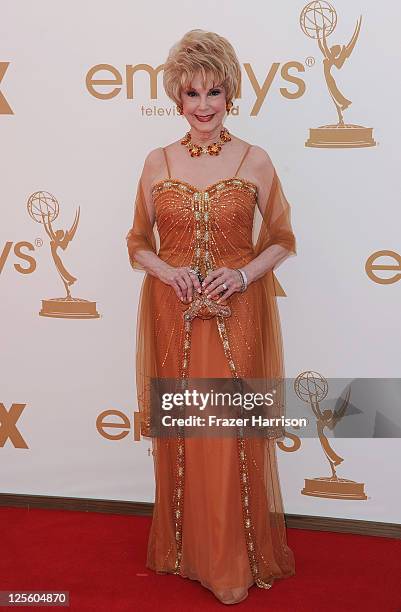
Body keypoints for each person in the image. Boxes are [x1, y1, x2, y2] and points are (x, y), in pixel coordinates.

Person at [126, 29, 297, 605]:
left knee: (227, 437)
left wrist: (244, 273)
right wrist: (165, 271)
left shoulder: (256, 160)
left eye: (214, 92)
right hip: (174, 319)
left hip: (237, 317)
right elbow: (137, 242)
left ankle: (230, 563)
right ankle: (188, 552)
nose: (203, 106)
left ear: (231, 96)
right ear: (177, 96)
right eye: (192, 93)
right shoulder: (157, 161)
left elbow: (280, 238)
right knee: (187, 435)